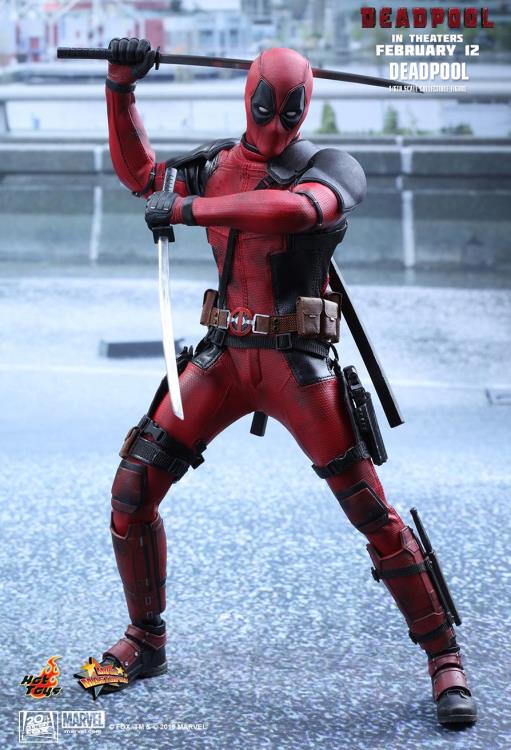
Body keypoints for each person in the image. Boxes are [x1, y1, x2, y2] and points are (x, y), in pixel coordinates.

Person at [100, 37, 477, 726]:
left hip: (295, 365)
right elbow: (141, 174)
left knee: (371, 511)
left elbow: (296, 211)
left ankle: (443, 655)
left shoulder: (330, 167)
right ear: (249, 97)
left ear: (307, 107)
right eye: (266, 108)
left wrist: (189, 212)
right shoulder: (214, 165)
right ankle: (146, 638)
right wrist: (120, 88)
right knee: (132, 489)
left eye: (290, 112)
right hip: (223, 356)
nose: (276, 125)